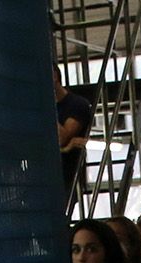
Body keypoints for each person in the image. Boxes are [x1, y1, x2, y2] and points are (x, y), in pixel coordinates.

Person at [56, 73, 95, 204]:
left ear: (54, 76)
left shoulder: (77, 104)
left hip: (67, 175)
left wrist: (47, 106)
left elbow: (61, 138)